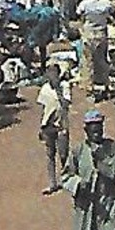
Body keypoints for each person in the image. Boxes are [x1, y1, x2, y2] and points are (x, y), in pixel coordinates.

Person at [37, 58, 73, 195]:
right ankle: (52, 183)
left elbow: (66, 104)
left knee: (63, 154)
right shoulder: (45, 89)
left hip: (61, 125)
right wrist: (41, 126)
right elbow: (43, 109)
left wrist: (58, 90)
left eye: (54, 73)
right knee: (50, 154)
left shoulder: (65, 87)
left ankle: (66, 179)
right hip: (48, 125)